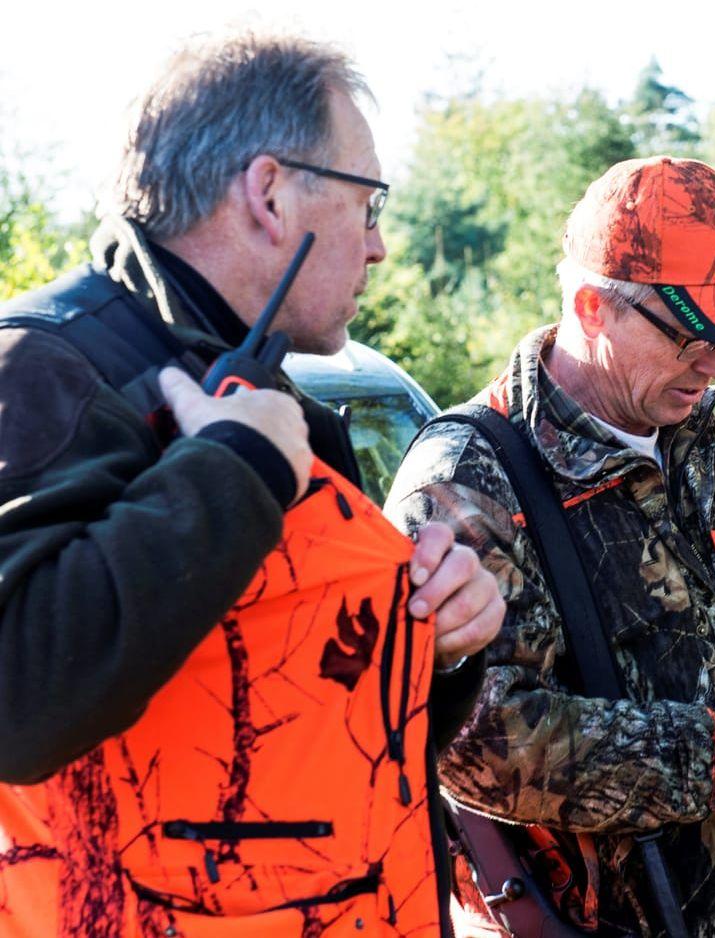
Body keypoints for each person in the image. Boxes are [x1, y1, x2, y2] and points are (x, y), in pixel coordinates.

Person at [0, 33, 502, 936]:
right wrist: (237, 470)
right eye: (369, 202)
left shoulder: (274, 398)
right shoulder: (38, 371)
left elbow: (314, 723)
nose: (380, 246)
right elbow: (17, 700)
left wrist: (438, 641)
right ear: (270, 193)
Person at [386, 155, 715, 938]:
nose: (714, 371)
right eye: (689, 338)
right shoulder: (467, 481)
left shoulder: (692, 441)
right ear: (591, 307)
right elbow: (472, 742)